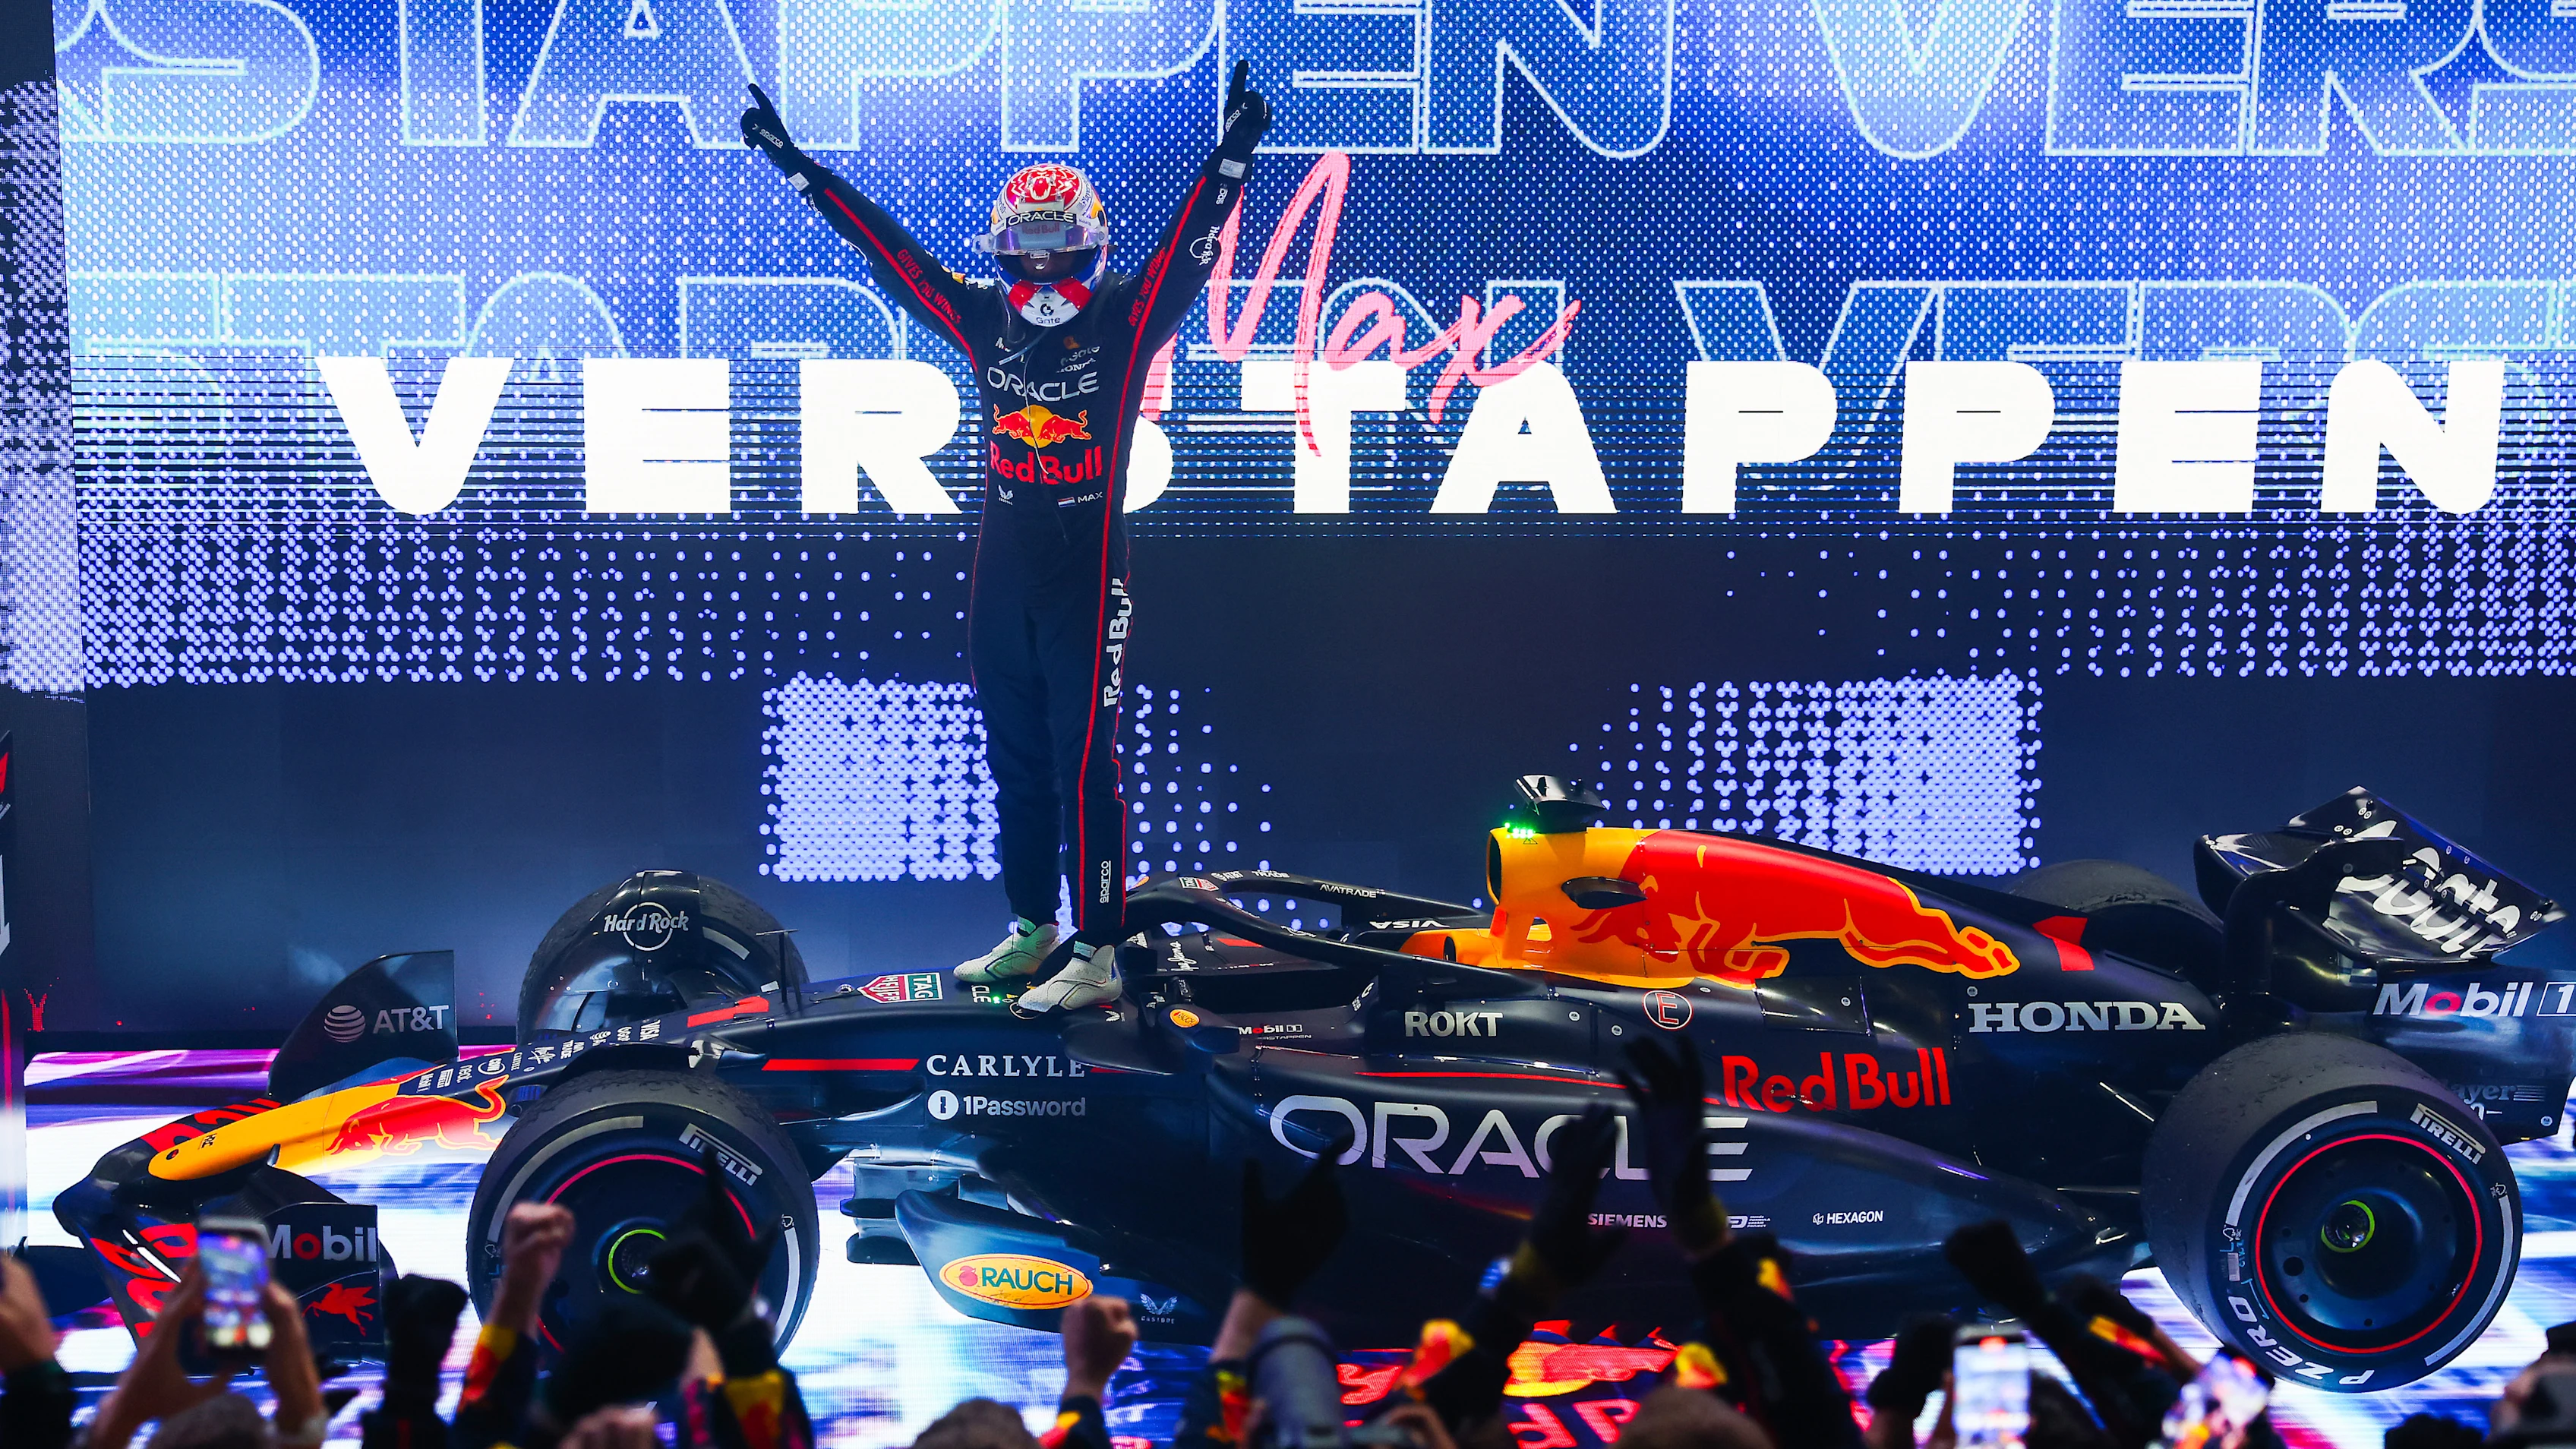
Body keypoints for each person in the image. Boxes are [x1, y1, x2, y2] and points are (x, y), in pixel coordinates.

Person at [738, 64, 1274, 1015]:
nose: (1038, 265)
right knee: (1014, 758)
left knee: (1082, 764)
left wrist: (1230, 160)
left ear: (1088, 244)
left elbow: (1187, 252)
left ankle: (1100, 949)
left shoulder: (1122, 318)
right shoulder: (981, 319)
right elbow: (894, 256)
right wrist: (800, 171)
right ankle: (1034, 928)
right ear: (1000, 250)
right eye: (1022, 246)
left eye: (1055, 244)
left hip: (1089, 579)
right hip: (1002, 579)